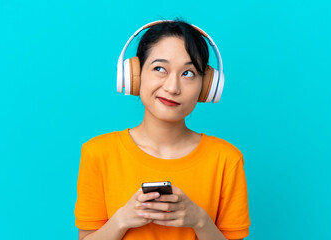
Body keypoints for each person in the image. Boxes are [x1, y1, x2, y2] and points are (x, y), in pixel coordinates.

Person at [74, 19, 250, 240]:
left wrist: (199, 220)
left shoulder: (226, 159)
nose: (172, 87)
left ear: (206, 86)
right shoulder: (98, 153)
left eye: (188, 74)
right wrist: (122, 220)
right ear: (134, 75)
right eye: (159, 69)